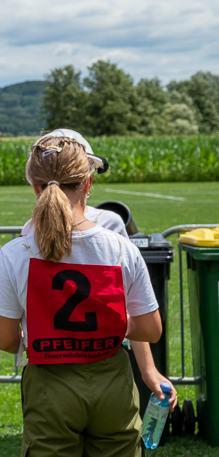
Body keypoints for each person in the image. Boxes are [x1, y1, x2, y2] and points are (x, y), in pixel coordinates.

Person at [0, 135, 162, 457]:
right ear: (88, 183)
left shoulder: (15, 253)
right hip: (112, 381)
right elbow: (150, 330)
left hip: (49, 386)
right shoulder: (121, 248)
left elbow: (5, 340)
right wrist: (107, 321)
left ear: (35, 187)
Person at [21, 128, 176, 413]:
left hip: (66, 364)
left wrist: (148, 370)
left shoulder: (32, 233)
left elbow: (125, 302)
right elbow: (132, 310)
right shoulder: (36, 231)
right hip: (87, 363)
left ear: (35, 184)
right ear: (87, 180)